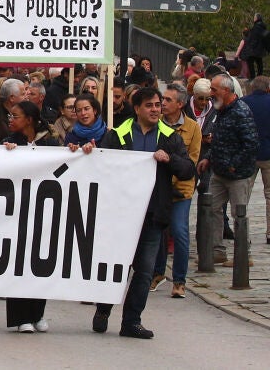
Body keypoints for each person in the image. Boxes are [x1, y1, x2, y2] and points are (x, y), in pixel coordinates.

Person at [87, 87, 195, 339]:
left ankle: (132, 321)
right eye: (149, 105)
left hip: (153, 215)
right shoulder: (117, 135)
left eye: (158, 105)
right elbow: (100, 167)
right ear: (137, 109)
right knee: (116, 268)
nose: (155, 109)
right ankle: (103, 309)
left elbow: (188, 171)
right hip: (121, 215)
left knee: (145, 271)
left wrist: (170, 159)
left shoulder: (169, 137)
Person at [0, 100, 60, 333]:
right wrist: (6, 154)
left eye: (15, 116)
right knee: (18, 263)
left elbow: (62, 168)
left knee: (40, 262)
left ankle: (38, 313)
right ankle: (20, 318)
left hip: (44, 210)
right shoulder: (9, 142)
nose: (11, 120)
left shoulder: (50, 143)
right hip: (17, 211)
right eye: (10, 116)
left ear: (30, 120)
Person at [199, 73, 260, 266]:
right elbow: (219, 139)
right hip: (219, 172)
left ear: (226, 90)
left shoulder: (241, 111)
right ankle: (217, 250)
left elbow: (251, 144)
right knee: (212, 208)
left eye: (214, 89)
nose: (210, 93)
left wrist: (234, 164)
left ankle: (244, 255)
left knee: (238, 214)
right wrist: (209, 157)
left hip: (237, 174)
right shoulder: (221, 110)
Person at [151, 83, 202, 298]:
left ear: (180, 104)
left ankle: (179, 280)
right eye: (163, 99)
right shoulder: (156, 124)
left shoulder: (192, 128)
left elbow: (192, 161)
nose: (163, 103)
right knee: (159, 231)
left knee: (180, 231)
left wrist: (171, 163)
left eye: (168, 100)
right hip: (159, 188)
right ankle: (157, 273)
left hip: (181, 188)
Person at [240, 75, 270, 246]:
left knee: (243, 196)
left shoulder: (243, 103)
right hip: (268, 154)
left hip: (248, 155)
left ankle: (243, 233)